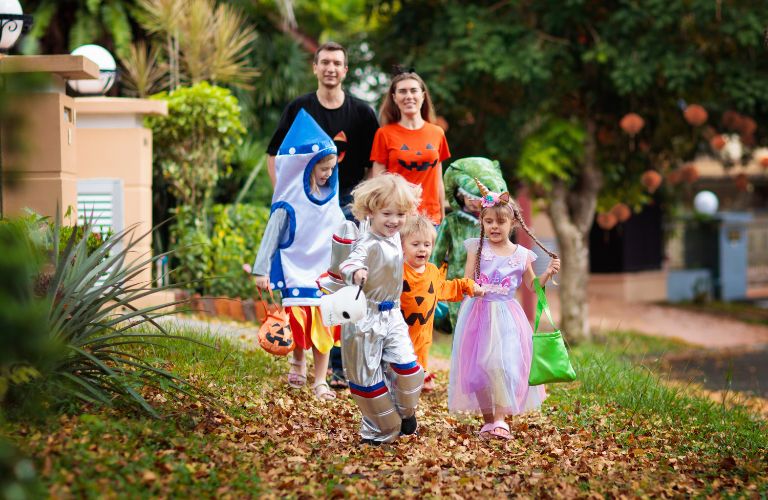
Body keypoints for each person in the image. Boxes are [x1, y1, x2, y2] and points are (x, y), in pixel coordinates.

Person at [267, 41, 379, 389]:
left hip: (349, 204)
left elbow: (374, 164)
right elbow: (275, 155)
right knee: (310, 282)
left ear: (346, 71)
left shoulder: (362, 113)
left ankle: (338, 363)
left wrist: (366, 205)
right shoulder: (300, 109)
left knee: (344, 283)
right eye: (325, 62)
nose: (331, 68)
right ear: (315, 68)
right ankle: (313, 361)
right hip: (307, 203)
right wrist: (284, 195)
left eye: (337, 63)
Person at [448, 179, 561, 440]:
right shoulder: (476, 248)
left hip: (507, 316)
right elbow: (467, 281)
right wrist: (473, 288)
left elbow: (532, 287)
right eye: (489, 222)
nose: (494, 227)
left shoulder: (521, 254)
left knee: (502, 364)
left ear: (513, 224)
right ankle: (488, 420)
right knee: (479, 367)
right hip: (479, 313)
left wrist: (546, 275)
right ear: (483, 223)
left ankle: (500, 419)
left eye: (500, 222)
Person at [252, 110, 345, 402]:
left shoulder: (332, 202)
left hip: (324, 275)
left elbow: (344, 236)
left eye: (332, 168)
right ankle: (297, 362)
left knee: (323, 327)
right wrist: (261, 269)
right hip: (295, 269)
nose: (328, 173)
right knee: (297, 322)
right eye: (323, 168)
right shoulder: (287, 203)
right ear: (305, 166)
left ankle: (320, 380)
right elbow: (271, 238)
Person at [338, 174, 424, 445]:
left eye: (400, 214)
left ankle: (407, 412)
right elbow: (350, 262)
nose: (394, 220)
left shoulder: (396, 235)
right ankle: (377, 433)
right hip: (365, 317)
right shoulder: (367, 239)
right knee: (368, 383)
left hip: (393, 314)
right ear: (370, 211)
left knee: (409, 369)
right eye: (387, 213)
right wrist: (356, 271)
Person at [399, 214, 483, 391]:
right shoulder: (399, 271)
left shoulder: (432, 271)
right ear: (402, 246)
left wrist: (467, 285)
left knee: (413, 380)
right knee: (396, 374)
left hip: (422, 336)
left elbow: (445, 288)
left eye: (427, 244)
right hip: (399, 335)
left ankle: (412, 399)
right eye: (415, 244)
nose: (422, 249)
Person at [430, 157, 508, 332]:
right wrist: (431, 284)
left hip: (490, 286)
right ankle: (460, 359)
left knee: (487, 330)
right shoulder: (451, 222)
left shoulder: (494, 223)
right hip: (458, 285)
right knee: (461, 329)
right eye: (469, 197)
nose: (474, 202)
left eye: (478, 198)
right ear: (459, 194)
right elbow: (436, 255)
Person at [370, 70, 450, 225]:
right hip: (397, 220)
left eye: (414, 90)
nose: (409, 96)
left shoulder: (437, 133)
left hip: (431, 220)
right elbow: (378, 183)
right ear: (394, 98)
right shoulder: (384, 134)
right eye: (402, 91)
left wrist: (443, 218)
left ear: (423, 95)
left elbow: (438, 181)